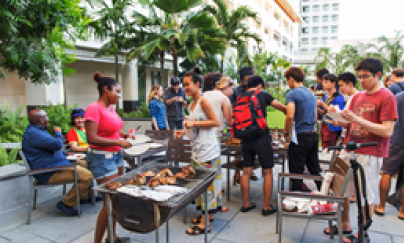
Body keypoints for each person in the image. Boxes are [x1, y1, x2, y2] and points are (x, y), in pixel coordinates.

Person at [325, 58, 397, 243]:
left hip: (369, 152)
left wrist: (357, 119)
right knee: (341, 190)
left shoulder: (387, 97)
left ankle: (363, 232)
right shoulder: (356, 97)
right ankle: (345, 224)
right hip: (349, 148)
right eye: (360, 77)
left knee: (366, 194)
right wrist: (337, 118)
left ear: (378, 75)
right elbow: (347, 123)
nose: (362, 81)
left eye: (365, 77)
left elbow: (387, 130)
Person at [85, 72, 132, 243]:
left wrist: (122, 134)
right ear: (106, 90)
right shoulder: (93, 108)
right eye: (117, 92)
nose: (119, 96)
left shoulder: (110, 108)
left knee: (115, 200)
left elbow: (109, 130)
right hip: (101, 158)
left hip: (116, 155)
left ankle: (111, 237)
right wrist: (119, 142)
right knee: (110, 201)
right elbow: (91, 137)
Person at [174, 67, 220, 235]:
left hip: (208, 151)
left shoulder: (203, 100)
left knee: (207, 187)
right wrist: (184, 132)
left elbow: (215, 122)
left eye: (187, 84)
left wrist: (192, 124)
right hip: (198, 151)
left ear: (197, 84)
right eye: (183, 85)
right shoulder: (193, 103)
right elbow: (197, 126)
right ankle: (205, 215)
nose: (185, 88)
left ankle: (205, 223)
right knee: (199, 185)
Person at [22, 110, 94, 216]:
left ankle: (84, 196)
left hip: (58, 164)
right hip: (49, 172)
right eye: (47, 117)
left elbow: (48, 148)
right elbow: (57, 145)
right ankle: (66, 204)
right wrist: (58, 132)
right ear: (41, 119)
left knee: (89, 165)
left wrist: (64, 154)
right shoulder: (34, 134)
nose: (48, 119)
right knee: (87, 176)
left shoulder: (38, 131)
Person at [239, 76, 286, 216]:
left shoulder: (242, 96)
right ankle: (266, 206)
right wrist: (286, 111)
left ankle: (246, 204)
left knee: (246, 171)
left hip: (246, 138)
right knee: (267, 172)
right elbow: (280, 106)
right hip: (261, 138)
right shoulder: (263, 94)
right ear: (260, 85)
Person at [284, 67, 322, 192]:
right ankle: (323, 192)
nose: (288, 84)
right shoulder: (311, 94)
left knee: (296, 168)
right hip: (312, 134)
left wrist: (286, 132)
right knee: (314, 167)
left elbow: (290, 115)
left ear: (291, 79)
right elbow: (315, 118)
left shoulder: (292, 93)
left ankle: (296, 197)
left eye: (287, 80)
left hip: (300, 135)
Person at [203, 73, 234, 214]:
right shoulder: (224, 99)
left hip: (201, 137)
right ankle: (214, 205)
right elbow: (230, 121)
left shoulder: (205, 95)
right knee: (216, 173)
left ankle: (207, 204)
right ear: (226, 86)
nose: (232, 92)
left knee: (204, 172)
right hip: (214, 138)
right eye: (232, 89)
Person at [375, 91, 404, 219]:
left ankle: (381, 206)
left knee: (387, 172)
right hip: (396, 140)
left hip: (396, 140)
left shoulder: (397, 97)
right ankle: (402, 210)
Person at [229, 66, 259, 182]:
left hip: (253, 124)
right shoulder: (236, 91)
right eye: (246, 80)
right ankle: (237, 173)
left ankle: (249, 171)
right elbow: (231, 107)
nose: (248, 82)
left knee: (252, 149)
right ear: (241, 80)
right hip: (240, 124)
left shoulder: (255, 89)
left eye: (250, 79)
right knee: (238, 150)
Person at [316, 74, 345, 149]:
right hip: (325, 124)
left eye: (326, 82)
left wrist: (322, 104)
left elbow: (337, 114)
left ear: (333, 83)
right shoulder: (326, 96)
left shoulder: (338, 97)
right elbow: (325, 113)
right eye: (323, 82)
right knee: (324, 147)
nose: (323, 84)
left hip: (332, 127)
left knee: (329, 148)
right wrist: (318, 109)